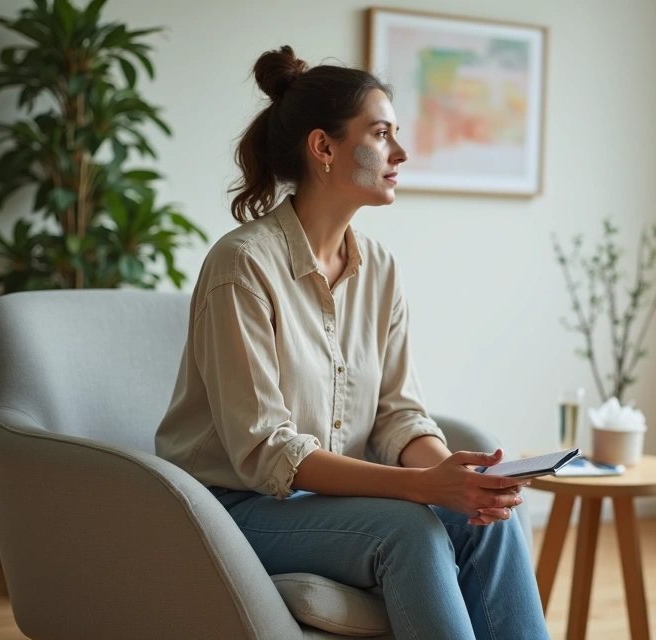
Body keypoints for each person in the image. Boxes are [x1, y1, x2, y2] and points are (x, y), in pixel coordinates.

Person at [155, 46, 548, 640]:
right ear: (324, 147)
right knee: (410, 530)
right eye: (382, 134)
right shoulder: (243, 266)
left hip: (322, 504)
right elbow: (266, 451)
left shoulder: (380, 268)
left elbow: (398, 415)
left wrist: (456, 478)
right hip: (230, 508)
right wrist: (422, 487)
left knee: (489, 521)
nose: (401, 153)